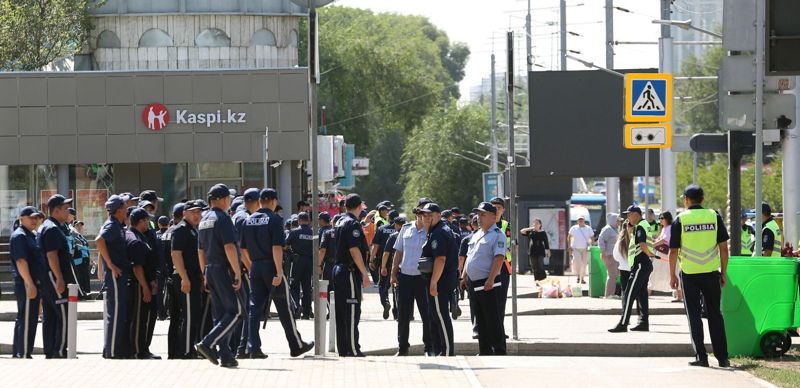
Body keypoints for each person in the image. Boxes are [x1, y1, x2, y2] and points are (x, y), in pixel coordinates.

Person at [241, 188, 314, 359]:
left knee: (254, 309)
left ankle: (253, 347)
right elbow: (276, 247)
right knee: (284, 307)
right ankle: (296, 345)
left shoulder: (248, 220)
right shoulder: (274, 219)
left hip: (256, 267)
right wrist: (279, 271)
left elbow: (242, 249)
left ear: (260, 202)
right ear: (274, 201)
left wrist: (252, 267)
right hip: (271, 266)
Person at [668, 184, 730, 368]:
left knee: (694, 316)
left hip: (689, 275)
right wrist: (724, 272)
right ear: (702, 199)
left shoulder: (681, 219)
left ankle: (701, 357)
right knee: (715, 315)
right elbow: (724, 248)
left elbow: (673, 251)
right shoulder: (714, 216)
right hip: (711, 273)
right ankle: (722, 358)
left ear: (686, 200)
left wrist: (672, 275)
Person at [195, 184, 244, 368]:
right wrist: (237, 272)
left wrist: (204, 273)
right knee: (236, 311)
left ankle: (226, 355)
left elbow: (200, 251)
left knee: (220, 314)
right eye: (228, 199)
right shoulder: (223, 218)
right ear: (224, 200)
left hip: (210, 269)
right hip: (224, 269)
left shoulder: (204, 219)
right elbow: (229, 247)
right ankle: (207, 343)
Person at [462, 202, 507, 355]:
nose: (479, 218)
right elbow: (470, 256)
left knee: (492, 318)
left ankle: (499, 350)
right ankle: (485, 350)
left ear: (493, 217)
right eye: (478, 215)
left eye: (483, 215)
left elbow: (499, 258)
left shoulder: (497, 234)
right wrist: (464, 276)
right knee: (479, 319)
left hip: (488, 283)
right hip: (474, 282)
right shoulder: (476, 234)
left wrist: (491, 279)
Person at [391, 198, 434, 356]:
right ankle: (402, 348)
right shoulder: (406, 228)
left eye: (427, 212)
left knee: (426, 314)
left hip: (423, 279)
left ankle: (429, 347)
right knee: (403, 315)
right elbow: (398, 252)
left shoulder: (432, 231)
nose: (424, 214)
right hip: (406, 277)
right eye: (421, 210)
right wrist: (393, 273)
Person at [332, 193, 371, 357]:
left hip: (338, 269)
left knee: (341, 311)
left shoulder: (339, 221)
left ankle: (343, 348)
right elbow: (354, 250)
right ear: (359, 206)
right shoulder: (353, 224)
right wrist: (364, 273)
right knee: (353, 310)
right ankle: (353, 348)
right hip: (348, 271)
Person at [39, 194, 75, 358]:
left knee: (51, 315)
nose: (68, 211)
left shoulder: (48, 226)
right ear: (56, 210)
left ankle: (51, 351)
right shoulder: (52, 229)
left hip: (48, 276)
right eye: (65, 208)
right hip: (54, 276)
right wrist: (59, 278)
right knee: (63, 314)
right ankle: (60, 350)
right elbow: (52, 255)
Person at [419, 202, 458, 356]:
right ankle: (442, 350)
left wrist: (434, 282)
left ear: (438, 215)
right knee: (436, 315)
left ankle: (447, 351)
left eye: (430, 215)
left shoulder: (439, 233)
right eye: (424, 215)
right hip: (440, 279)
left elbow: (440, 259)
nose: (426, 218)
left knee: (441, 316)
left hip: (440, 280)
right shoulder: (435, 230)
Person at [96, 195, 132, 359]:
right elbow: (99, 240)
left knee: (120, 313)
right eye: (124, 207)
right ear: (118, 210)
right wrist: (109, 265)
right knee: (115, 313)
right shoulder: (111, 226)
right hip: (115, 276)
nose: (126, 210)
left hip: (121, 276)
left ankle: (115, 350)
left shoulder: (118, 225)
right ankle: (111, 352)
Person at [609, 206, 654, 333]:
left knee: (628, 294)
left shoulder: (640, 226)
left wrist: (649, 254)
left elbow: (642, 243)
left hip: (640, 264)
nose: (628, 217)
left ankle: (623, 324)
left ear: (636, 214)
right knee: (642, 294)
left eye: (629, 215)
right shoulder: (644, 224)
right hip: (643, 264)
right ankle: (643, 322)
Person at [170, 200, 204, 359]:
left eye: (198, 212)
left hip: (193, 277)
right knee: (189, 315)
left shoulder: (193, 230)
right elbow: (176, 254)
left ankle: (188, 348)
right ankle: (185, 350)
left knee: (194, 314)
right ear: (185, 213)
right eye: (193, 212)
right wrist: (184, 279)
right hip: (185, 277)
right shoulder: (181, 230)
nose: (197, 215)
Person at [10, 206, 44, 358]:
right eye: (31, 217)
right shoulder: (20, 236)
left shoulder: (30, 235)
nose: (34, 220)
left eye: (36, 217)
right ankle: (22, 352)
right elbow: (21, 261)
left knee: (29, 317)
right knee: (26, 318)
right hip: (26, 282)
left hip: (32, 282)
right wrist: (30, 283)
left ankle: (23, 351)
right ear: (21, 218)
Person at [126, 208, 160, 359]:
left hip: (146, 282)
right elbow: (137, 267)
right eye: (147, 220)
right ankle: (138, 350)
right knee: (140, 318)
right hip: (139, 284)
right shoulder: (135, 239)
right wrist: (145, 287)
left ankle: (143, 348)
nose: (149, 222)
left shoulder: (140, 236)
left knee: (145, 317)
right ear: (140, 222)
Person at [230, 189, 258, 357]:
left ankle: (236, 346)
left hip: (231, 269)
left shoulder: (233, 218)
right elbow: (242, 248)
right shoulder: (244, 219)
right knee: (247, 309)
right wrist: (251, 269)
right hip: (242, 270)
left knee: (236, 309)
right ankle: (243, 347)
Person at [489, 197, 512, 337]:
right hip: (487, 266)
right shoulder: (485, 225)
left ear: (503, 210)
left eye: (499, 207)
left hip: (503, 267)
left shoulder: (505, 225)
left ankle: (499, 330)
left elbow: (507, 246)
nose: (496, 210)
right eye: (494, 207)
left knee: (501, 300)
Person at [287, 212, 315, 320]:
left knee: (294, 286)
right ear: (308, 220)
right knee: (307, 288)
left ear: (298, 220)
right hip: (309, 262)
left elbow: (285, 245)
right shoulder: (313, 233)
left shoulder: (294, 232)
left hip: (297, 262)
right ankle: (307, 312)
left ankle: (296, 308)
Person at [371, 209, 398, 319]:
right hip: (399, 261)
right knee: (396, 286)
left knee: (383, 286)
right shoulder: (404, 230)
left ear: (388, 218)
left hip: (384, 261)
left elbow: (375, 246)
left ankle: (385, 302)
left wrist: (371, 259)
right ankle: (396, 311)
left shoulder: (382, 229)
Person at [381, 216, 405, 321]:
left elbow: (386, 253)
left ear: (398, 225)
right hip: (407, 266)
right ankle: (408, 313)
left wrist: (383, 267)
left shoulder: (393, 236)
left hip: (394, 265)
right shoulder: (410, 234)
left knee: (396, 289)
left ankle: (397, 313)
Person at [653, 211, 678, 301]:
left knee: (672, 273)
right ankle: (677, 293)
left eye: (662, 218)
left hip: (667, 254)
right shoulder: (664, 228)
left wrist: (653, 245)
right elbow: (660, 239)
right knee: (664, 273)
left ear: (667, 218)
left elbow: (664, 240)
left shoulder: (669, 228)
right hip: (663, 254)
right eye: (659, 218)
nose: (660, 220)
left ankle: (679, 294)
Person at [597, 213, 620, 298]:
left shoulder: (614, 229)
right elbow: (601, 240)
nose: (619, 222)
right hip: (609, 255)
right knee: (612, 275)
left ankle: (611, 294)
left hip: (613, 255)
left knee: (613, 275)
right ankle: (609, 295)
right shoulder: (607, 229)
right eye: (617, 220)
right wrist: (603, 253)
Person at [568, 215, 593, 284]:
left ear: (584, 220)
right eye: (579, 220)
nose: (580, 221)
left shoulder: (588, 228)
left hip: (585, 249)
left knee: (584, 264)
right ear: (577, 221)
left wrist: (591, 246)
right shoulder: (574, 228)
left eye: (582, 220)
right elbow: (569, 236)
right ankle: (578, 276)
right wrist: (569, 246)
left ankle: (582, 278)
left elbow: (592, 237)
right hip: (576, 248)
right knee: (577, 262)